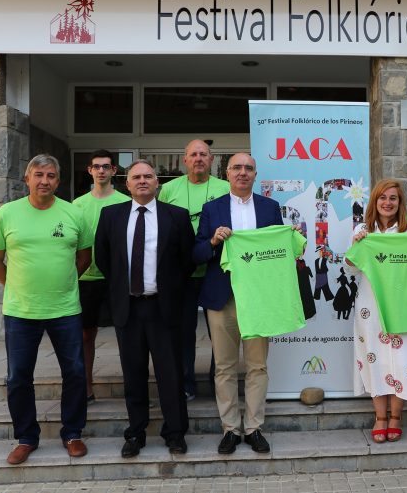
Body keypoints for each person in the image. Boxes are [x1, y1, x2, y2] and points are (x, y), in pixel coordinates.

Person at [0, 154, 92, 465]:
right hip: (21, 311)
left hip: (65, 309)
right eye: (39, 175)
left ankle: (72, 433)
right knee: (18, 376)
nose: (45, 181)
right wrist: (16, 287)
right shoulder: (7, 213)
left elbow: (83, 258)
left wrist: (62, 282)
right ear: (27, 179)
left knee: (74, 372)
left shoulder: (74, 213)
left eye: (51, 176)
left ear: (58, 181)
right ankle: (26, 437)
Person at [94, 159, 194, 458]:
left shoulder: (176, 216)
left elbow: (186, 260)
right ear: (126, 183)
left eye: (148, 176)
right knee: (133, 375)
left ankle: (175, 433)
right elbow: (104, 258)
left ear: (157, 182)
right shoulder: (110, 215)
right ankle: (135, 433)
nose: (142, 181)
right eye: (136, 177)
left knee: (171, 374)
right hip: (129, 308)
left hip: (163, 309)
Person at [192, 152, 283, 455]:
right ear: (227, 173)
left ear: (255, 175)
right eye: (237, 168)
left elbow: (279, 255)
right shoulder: (211, 209)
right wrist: (214, 242)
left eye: (249, 168)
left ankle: (254, 428)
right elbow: (196, 254)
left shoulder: (271, 208)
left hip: (259, 299)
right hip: (223, 297)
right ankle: (231, 429)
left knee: (257, 365)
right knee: (225, 367)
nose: (243, 173)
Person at [347, 179, 407, 443]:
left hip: (405, 307)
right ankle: (380, 418)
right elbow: (351, 267)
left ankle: (396, 417)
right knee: (375, 359)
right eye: (382, 198)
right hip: (370, 308)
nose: (387, 203)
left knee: (404, 361)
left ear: (400, 203)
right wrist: (357, 242)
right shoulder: (363, 230)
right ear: (375, 201)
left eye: (393, 198)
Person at [158, 139, 231, 402]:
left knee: (220, 333)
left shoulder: (226, 188)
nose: (198, 158)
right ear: (184, 160)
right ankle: (186, 383)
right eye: (193, 154)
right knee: (184, 331)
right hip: (183, 273)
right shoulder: (168, 189)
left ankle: (217, 383)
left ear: (212, 160)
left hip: (217, 271)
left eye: (203, 154)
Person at [73, 150, 130, 404]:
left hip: (117, 278)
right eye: (97, 167)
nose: (101, 171)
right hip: (86, 279)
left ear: (114, 170)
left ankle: (134, 388)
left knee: (128, 333)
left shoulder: (124, 202)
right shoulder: (77, 205)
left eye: (106, 167)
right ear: (90, 170)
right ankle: (86, 387)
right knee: (86, 335)